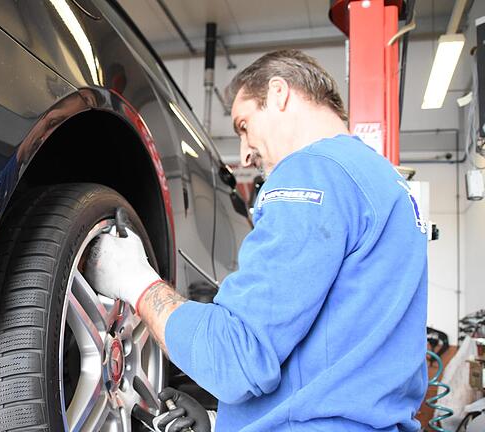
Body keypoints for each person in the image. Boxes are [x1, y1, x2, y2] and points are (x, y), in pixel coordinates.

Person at [85, 49, 428, 431]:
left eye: (244, 125)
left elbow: (235, 358)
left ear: (279, 94)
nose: (245, 154)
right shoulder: (384, 182)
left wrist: (135, 281)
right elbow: (343, 354)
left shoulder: (313, 173)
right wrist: (220, 422)